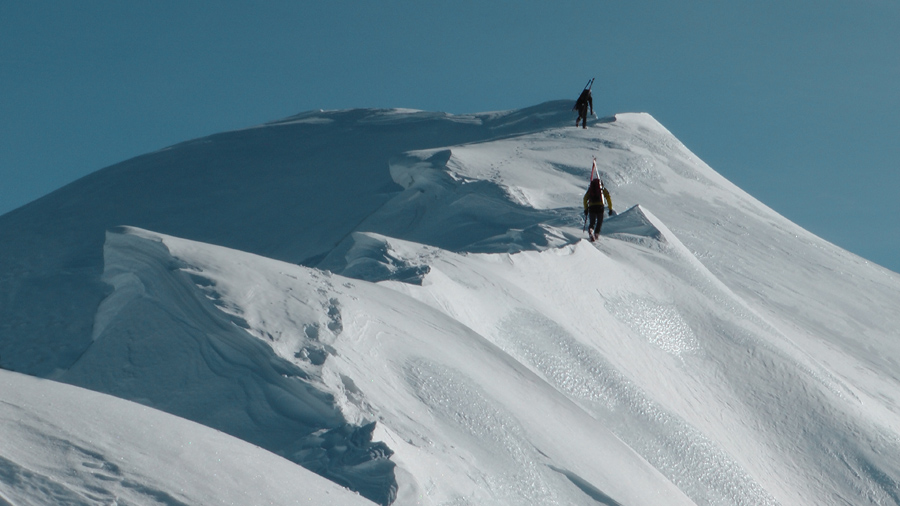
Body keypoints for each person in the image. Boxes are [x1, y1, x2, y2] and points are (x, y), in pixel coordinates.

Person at [583, 176, 613, 241]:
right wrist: (610, 208)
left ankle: (591, 230)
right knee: (599, 222)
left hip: (591, 207)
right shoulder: (602, 189)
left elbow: (585, 198)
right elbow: (608, 198)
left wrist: (586, 209)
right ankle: (596, 234)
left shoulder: (590, 189)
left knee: (592, 222)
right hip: (600, 207)